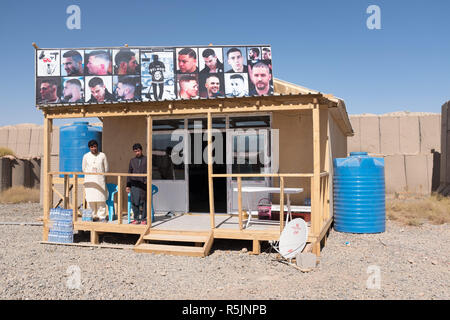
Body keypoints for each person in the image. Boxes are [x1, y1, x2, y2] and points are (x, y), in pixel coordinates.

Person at [82, 140, 108, 222]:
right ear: (89, 148)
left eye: (95, 146)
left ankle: (102, 217)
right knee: (91, 199)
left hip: (100, 180)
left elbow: (106, 168)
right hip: (90, 181)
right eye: (92, 147)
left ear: (97, 146)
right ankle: (93, 216)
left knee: (101, 199)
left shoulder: (102, 155)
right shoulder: (86, 156)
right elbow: (84, 168)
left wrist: (100, 174)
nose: (93, 148)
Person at [126, 143, 148, 224]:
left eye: (138, 151)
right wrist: (128, 185)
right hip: (134, 184)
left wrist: (146, 180)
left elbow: (149, 171)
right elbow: (129, 173)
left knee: (144, 202)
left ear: (141, 150)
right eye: (135, 151)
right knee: (134, 201)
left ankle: (143, 219)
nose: (137, 153)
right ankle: (136, 218)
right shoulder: (132, 161)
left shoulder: (146, 159)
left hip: (143, 184)